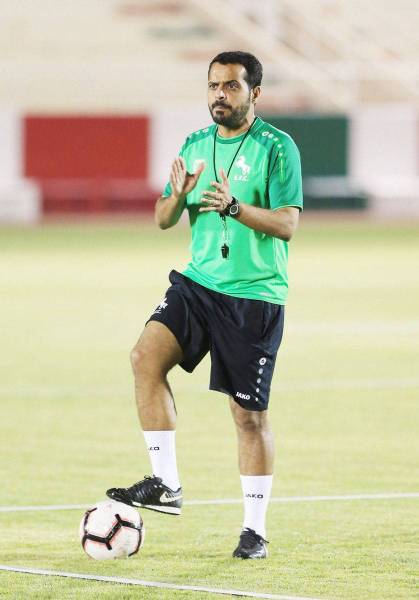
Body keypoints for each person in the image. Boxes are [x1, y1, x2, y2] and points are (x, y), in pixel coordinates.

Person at [107, 50, 303, 559]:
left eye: (231, 86)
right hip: (198, 283)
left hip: (253, 295)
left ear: (254, 93)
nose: (220, 94)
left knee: (247, 416)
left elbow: (287, 224)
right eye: (214, 85)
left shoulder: (277, 148)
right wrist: (178, 196)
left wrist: (235, 207)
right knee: (144, 356)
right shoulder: (195, 144)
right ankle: (166, 483)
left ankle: (254, 530)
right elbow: (163, 218)